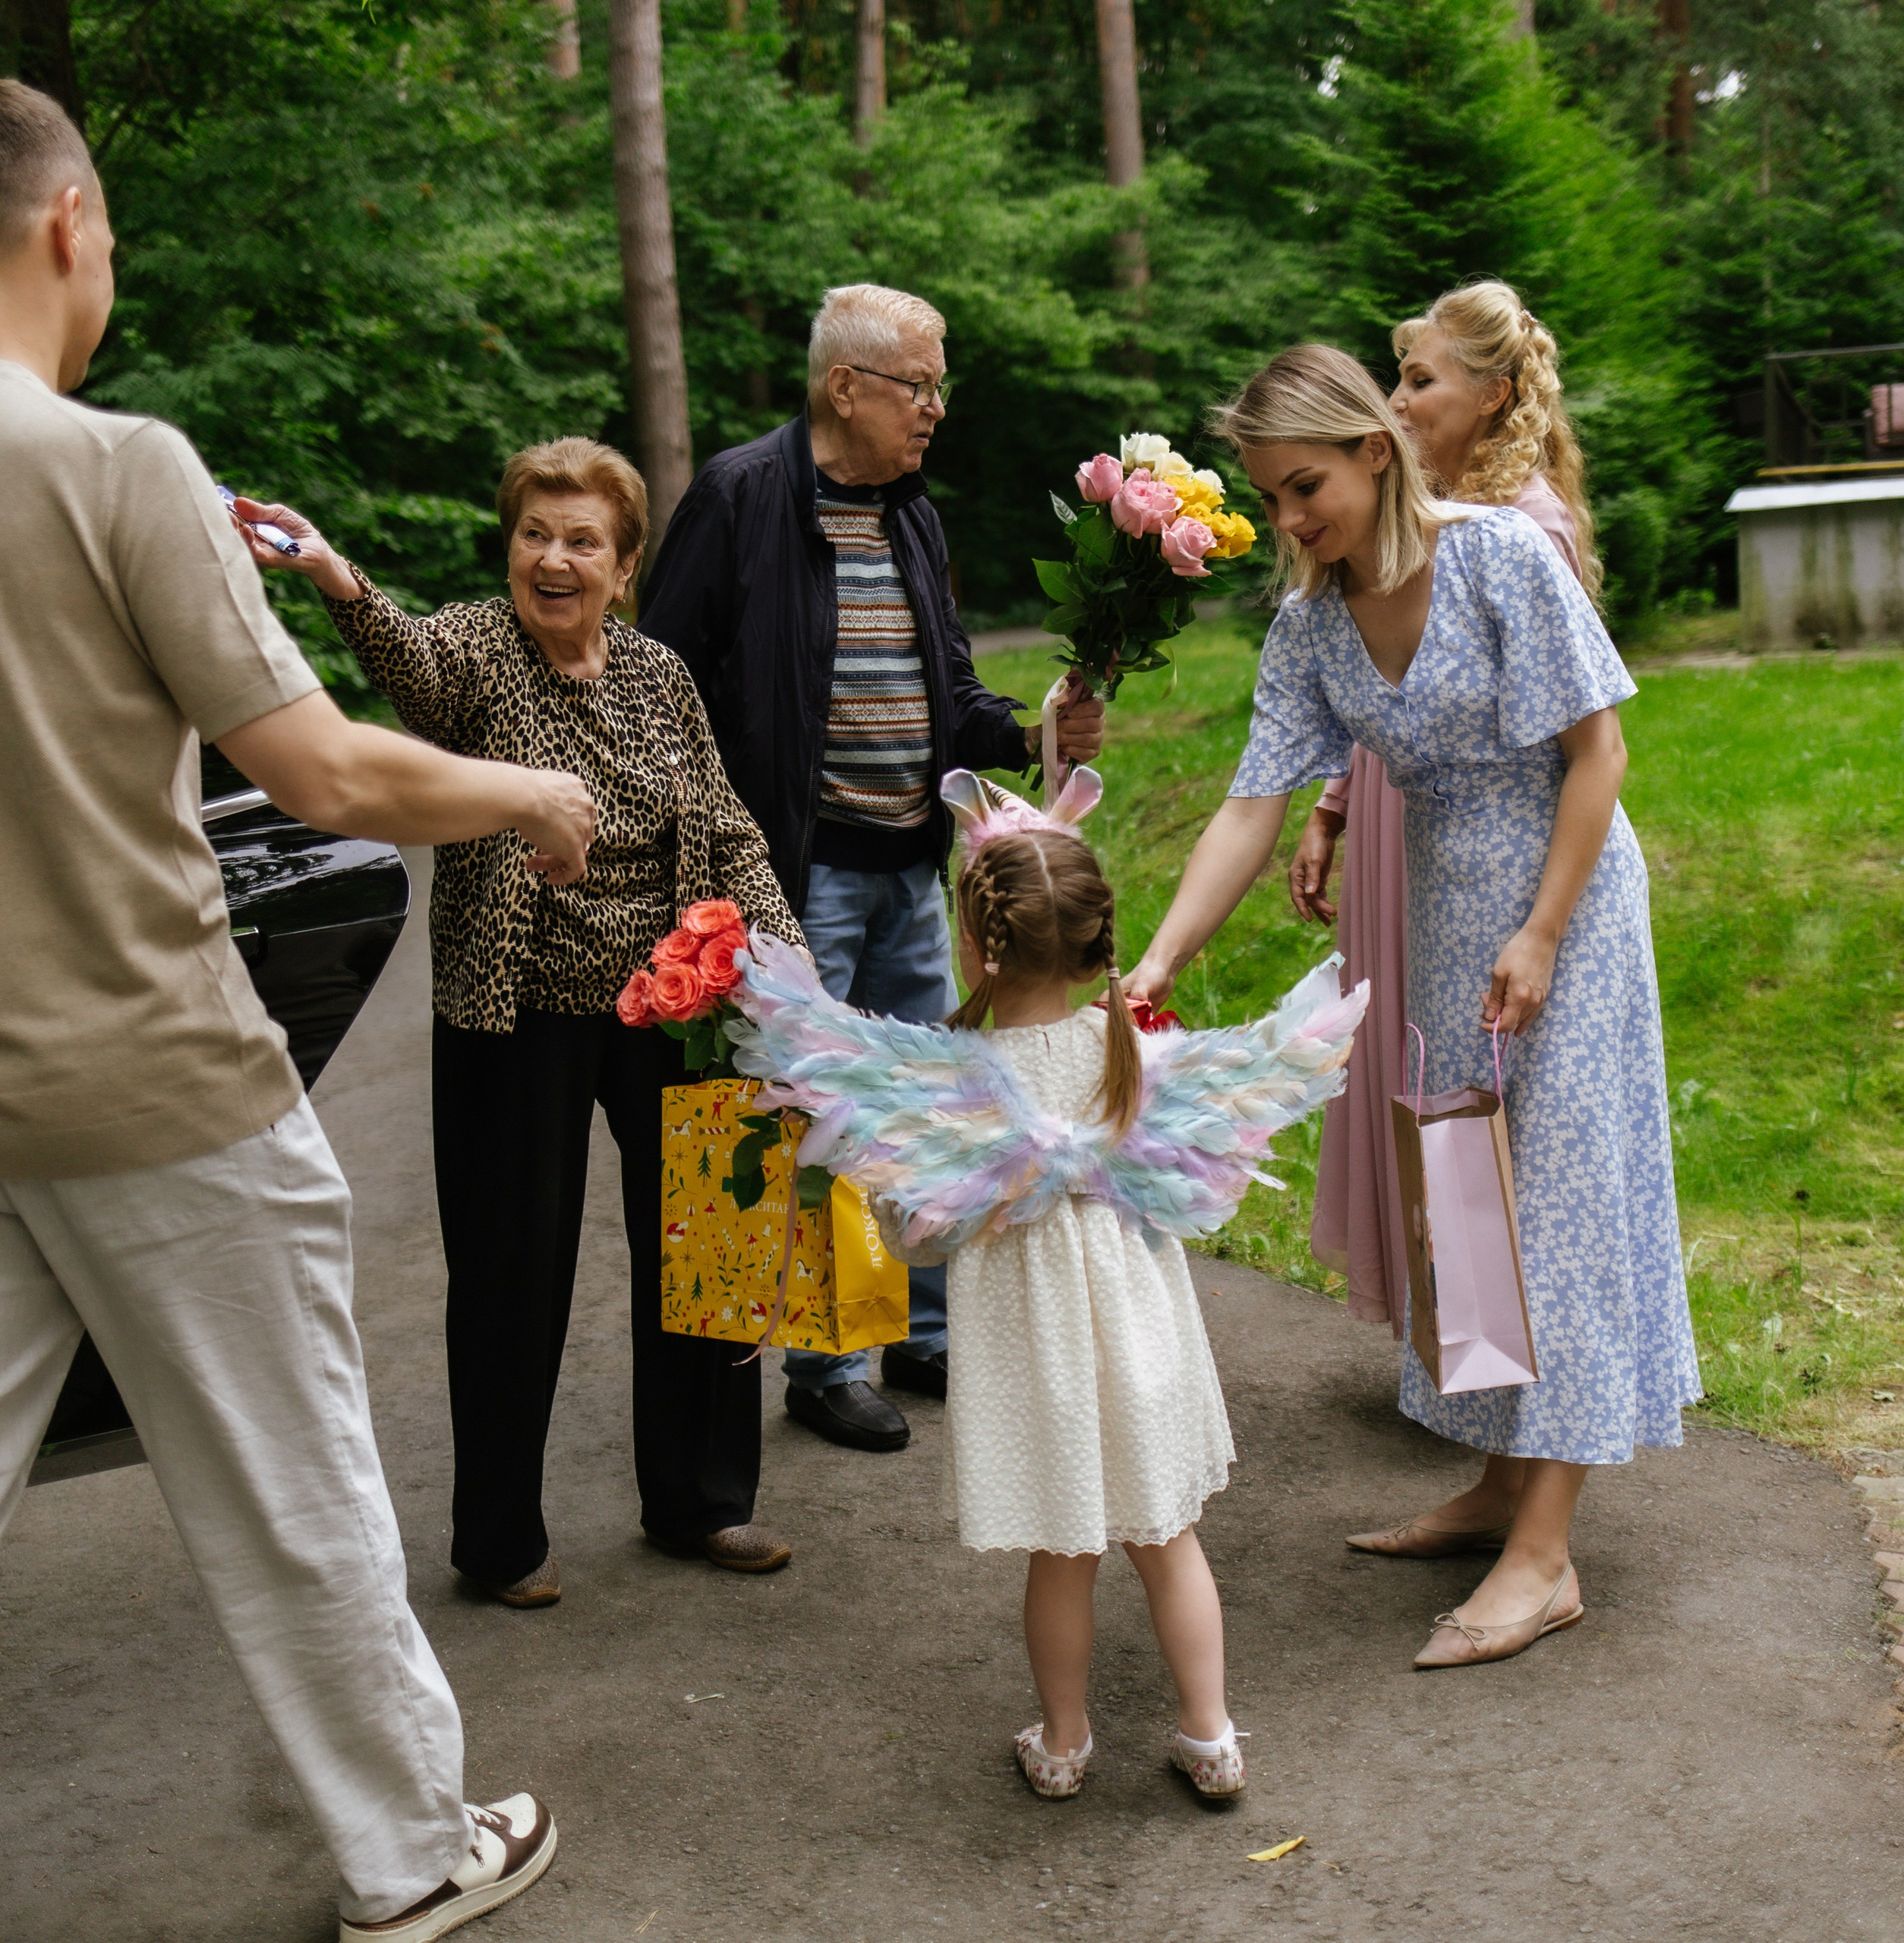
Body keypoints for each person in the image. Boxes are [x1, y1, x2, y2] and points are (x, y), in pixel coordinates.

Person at [0, 80, 582, 1939]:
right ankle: (415, 1850)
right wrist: (535, 794)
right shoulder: (111, 467)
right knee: (296, 1481)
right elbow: (326, 773)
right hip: (155, 1081)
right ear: (69, 220)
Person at [1127, 345, 1698, 1669]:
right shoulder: (1310, 626)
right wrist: (1157, 962)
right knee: (1471, 1205)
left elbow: (1599, 750)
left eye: (1305, 486)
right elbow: (1250, 805)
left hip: (1568, 909)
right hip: (1446, 914)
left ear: (1374, 452)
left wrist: (1546, 932)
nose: (1290, 521)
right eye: (1271, 498)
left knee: (1554, 1202)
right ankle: (1498, 1482)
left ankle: (1545, 1555)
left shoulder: (1501, 556)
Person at [235, 439, 808, 1599]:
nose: (553, 559)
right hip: (519, 1011)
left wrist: (787, 956)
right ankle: (502, 1543)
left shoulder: (659, 676)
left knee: (711, 1244)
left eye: (582, 541)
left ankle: (701, 1502)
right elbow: (416, 670)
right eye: (534, 536)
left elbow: (728, 825)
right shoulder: (480, 654)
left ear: (627, 565)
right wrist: (337, 578)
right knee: (510, 1272)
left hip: (676, 1002)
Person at [727, 770, 1367, 1798]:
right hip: (1144, 1346)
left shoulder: (953, 1092)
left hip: (1041, 1369)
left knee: (1063, 1557)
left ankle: (1064, 1743)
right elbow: (1199, 1187)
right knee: (1169, 1541)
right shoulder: (1137, 1061)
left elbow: (920, 1240)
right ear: (1099, 940)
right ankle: (1210, 1735)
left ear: (976, 946)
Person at [638, 282, 1105, 1455]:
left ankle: (925, 1331)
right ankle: (826, 1360)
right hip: (792, 871)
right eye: (919, 385)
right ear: (846, 387)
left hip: (910, 861)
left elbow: (945, 691)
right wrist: (700, 865)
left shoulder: (910, 513)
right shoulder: (741, 498)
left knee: (929, 1099)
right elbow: (660, 690)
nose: (935, 410)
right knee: (800, 1112)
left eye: (939, 386)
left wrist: (1033, 731)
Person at [1290, 282, 1597, 1349]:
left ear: (1495, 393)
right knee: (1445, 1127)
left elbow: (1584, 737)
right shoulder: (1372, 551)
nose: (1398, 400)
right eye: (1398, 376)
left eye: (1420, 379)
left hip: (1513, 858)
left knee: (1526, 1148)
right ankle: (1471, 1399)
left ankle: (1538, 1443)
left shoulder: (1520, 537)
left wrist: (1545, 927)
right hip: (1412, 831)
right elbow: (1361, 692)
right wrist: (1332, 804)